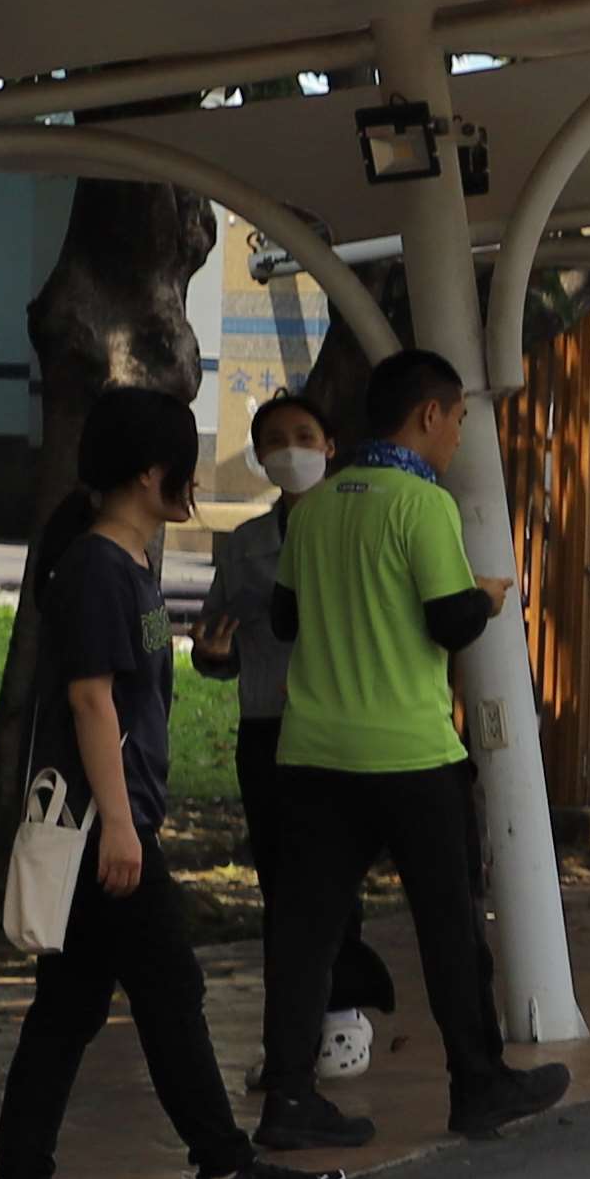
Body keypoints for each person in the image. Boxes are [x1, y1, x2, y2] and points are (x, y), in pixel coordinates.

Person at [0, 388, 353, 1179]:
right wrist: (121, 824)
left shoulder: (124, 566)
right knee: (169, 988)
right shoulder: (96, 570)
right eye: (184, 466)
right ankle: (224, 1170)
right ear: (154, 475)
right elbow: (89, 702)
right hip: (100, 827)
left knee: (73, 1007)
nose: (192, 482)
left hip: (112, 820)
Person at [251, 351, 562, 1151]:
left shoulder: (313, 508)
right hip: (411, 756)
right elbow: (447, 621)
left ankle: (287, 1097)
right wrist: (487, 597)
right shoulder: (423, 506)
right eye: (458, 418)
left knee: (304, 936)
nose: (459, 435)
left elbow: (284, 622)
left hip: (314, 755)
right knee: (450, 927)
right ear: (427, 414)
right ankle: (478, 1084)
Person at [192, 391, 393, 1085]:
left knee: (335, 878)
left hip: (342, 726)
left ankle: (341, 1017)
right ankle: (291, 1037)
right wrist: (210, 655)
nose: (290, 450)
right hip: (267, 731)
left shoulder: (364, 524)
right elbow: (208, 632)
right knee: (281, 882)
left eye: (304, 435)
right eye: (274, 440)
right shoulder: (246, 542)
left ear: (331, 444)